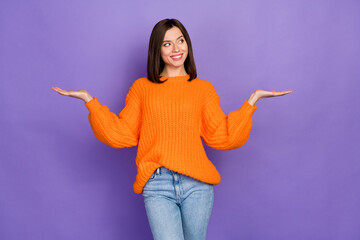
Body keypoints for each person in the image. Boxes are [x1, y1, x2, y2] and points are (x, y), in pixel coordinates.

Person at [51, 18, 292, 240]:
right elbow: (122, 132)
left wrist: (252, 102)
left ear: (187, 44)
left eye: (180, 41)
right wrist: (89, 101)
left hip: (197, 184)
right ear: (157, 50)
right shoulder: (142, 88)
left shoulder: (203, 89)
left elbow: (223, 135)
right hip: (157, 183)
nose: (176, 49)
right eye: (167, 44)